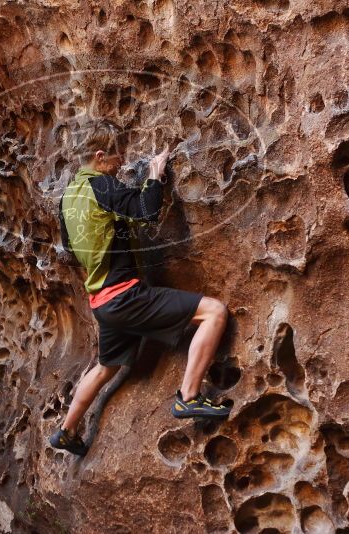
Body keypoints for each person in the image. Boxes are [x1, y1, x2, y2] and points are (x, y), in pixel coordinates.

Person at [49, 120, 231, 456]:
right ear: (100, 156)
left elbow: (72, 250)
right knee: (214, 313)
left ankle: (66, 431)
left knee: (107, 367)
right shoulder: (101, 186)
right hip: (126, 297)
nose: (121, 163)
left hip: (102, 302)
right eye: (116, 156)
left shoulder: (67, 199)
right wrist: (155, 174)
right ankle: (189, 397)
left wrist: (108, 237)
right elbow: (147, 209)